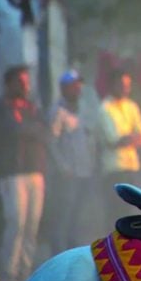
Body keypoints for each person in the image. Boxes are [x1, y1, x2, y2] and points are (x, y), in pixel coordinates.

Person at [0, 65, 49, 281]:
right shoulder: (0, 107)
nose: (26, 86)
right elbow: (11, 130)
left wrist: (23, 125)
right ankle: (8, 273)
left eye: (27, 82)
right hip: (12, 173)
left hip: (36, 170)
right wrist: (26, 127)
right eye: (21, 82)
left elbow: (44, 132)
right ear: (10, 84)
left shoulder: (33, 107)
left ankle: (25, 271)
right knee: (16, 222)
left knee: (32, 224)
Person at [47, 70, 100, 253]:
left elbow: (90, 137)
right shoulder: (58, 111)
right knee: (64, 218)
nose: (77, 88)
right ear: (63, 88)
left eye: (78, 84)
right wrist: (63, 168)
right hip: (67, 175)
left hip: (85, 172)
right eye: (72, 85)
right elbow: (52, 143)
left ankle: (72, 255)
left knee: (78, 218)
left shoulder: (83, 109)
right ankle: (58, 255)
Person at [97, 68, 141, 228]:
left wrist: (130, 138)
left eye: (128, 85)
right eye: (121, 84)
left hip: (132, 167)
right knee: (115, 215)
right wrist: (133, 137)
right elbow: (115, 141)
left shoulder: (131, 105)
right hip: (114, 169)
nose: (125, 88)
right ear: (112, 85)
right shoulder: (104, 108)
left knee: (133, 214)